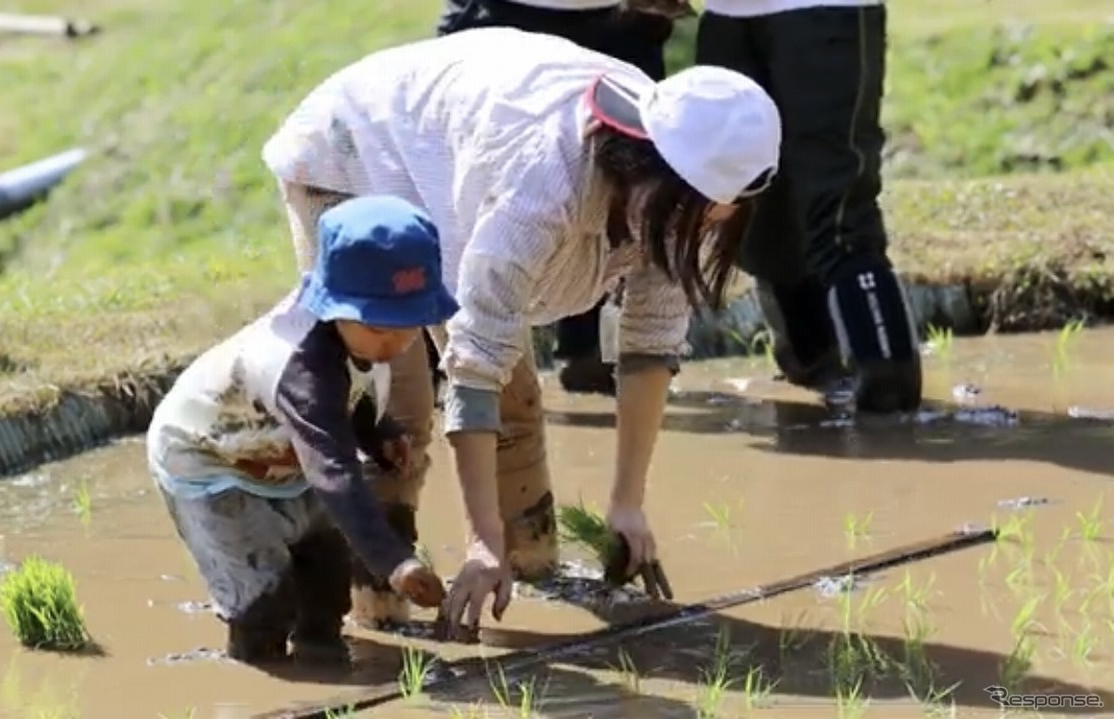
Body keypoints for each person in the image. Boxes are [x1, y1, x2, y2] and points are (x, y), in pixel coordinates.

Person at [262, 27, 781, 635]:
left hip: (460, 154)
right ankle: (380, 610)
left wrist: (627, 504)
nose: (699, 231)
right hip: (358, 152)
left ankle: (532, 569)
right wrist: (479, 541)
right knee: (393, 408)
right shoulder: (541, 187)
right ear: (653, 167)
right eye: (695, 212)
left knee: (516, 395)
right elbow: (475, 361)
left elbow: (650, 343)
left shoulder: (677, 199)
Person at [146, 195, 455, 665]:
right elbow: (334, 472)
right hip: (210, 462)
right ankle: (258, 665)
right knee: (263, 600)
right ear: (333, 306)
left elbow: (352, 397)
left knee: (327, 585)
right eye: (379, 326)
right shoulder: (300, 369)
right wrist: (395, 562)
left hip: (281, 453)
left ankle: (322, 655)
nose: (394, 341)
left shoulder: (363, 341)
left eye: (408, 325)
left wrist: (377, 432)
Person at [431, 0, 685, 396]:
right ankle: (438, 368)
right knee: (460, 186)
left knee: (632, 182)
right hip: (503, 13)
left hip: (618, 20)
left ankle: (587, 353)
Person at [694, 0, 923, 413]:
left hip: (824, 12)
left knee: (838, 213)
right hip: (728, 17)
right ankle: (817, 370)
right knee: (754, 205)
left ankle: (890, 392)